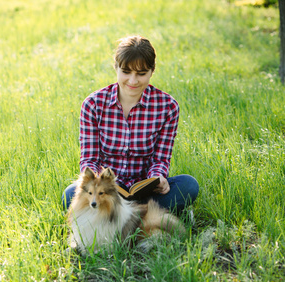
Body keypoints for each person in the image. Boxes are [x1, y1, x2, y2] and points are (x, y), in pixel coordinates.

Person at [62, 35, 199, 216]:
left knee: (188, 185)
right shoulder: (93, 104)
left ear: (152, 71)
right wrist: (98, 185)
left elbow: (160, 159)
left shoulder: (167, 107)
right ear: (116, 67)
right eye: (126, 72)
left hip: (145, 192)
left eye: (141, 74)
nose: (133, 81)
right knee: (69, 195)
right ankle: (138, 217)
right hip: (107, 193)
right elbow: (90, 159)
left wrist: (158, 178)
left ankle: (122, 218)